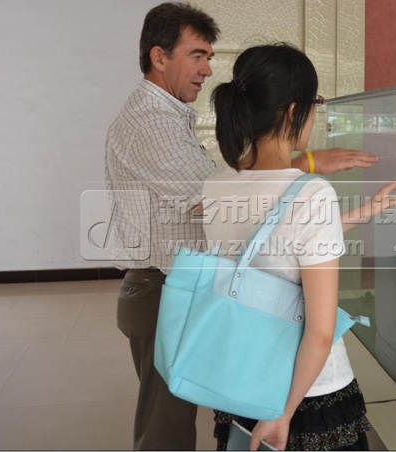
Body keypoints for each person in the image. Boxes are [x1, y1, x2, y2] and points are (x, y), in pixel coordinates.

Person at [104, 3, 381, 450]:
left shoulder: (176, 126)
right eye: (197, 55)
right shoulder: (152, 123)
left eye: (210, 57)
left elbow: (247, 201)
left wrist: (333, 206)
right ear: (159, 56)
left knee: (182, 419)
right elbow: (231, 200)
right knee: (166, 432)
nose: (207, 69)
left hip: (195, 289)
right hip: (167, 288)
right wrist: (306, 168)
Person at [205, 43, 396, 451]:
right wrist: (282, 414)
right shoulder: (312, 193)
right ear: (294, 112)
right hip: (306, 392)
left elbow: (276, 245)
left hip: (242, 375)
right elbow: (319, 330)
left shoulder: (216, 184)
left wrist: (363, 212)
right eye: (316, 103)